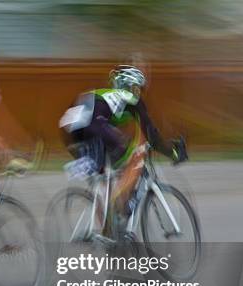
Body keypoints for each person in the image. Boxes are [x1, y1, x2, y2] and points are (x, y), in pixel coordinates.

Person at [59, 64, 188, 216]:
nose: (139, 93)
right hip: (93, 126)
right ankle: (116, 207)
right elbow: (152, 135)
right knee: (135, 160)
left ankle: (106, 230)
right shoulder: (129, 99)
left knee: (104, 181)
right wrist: (173, 152)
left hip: (70, 132)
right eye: (138, 88)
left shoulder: (105, 96)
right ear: (130, 85)